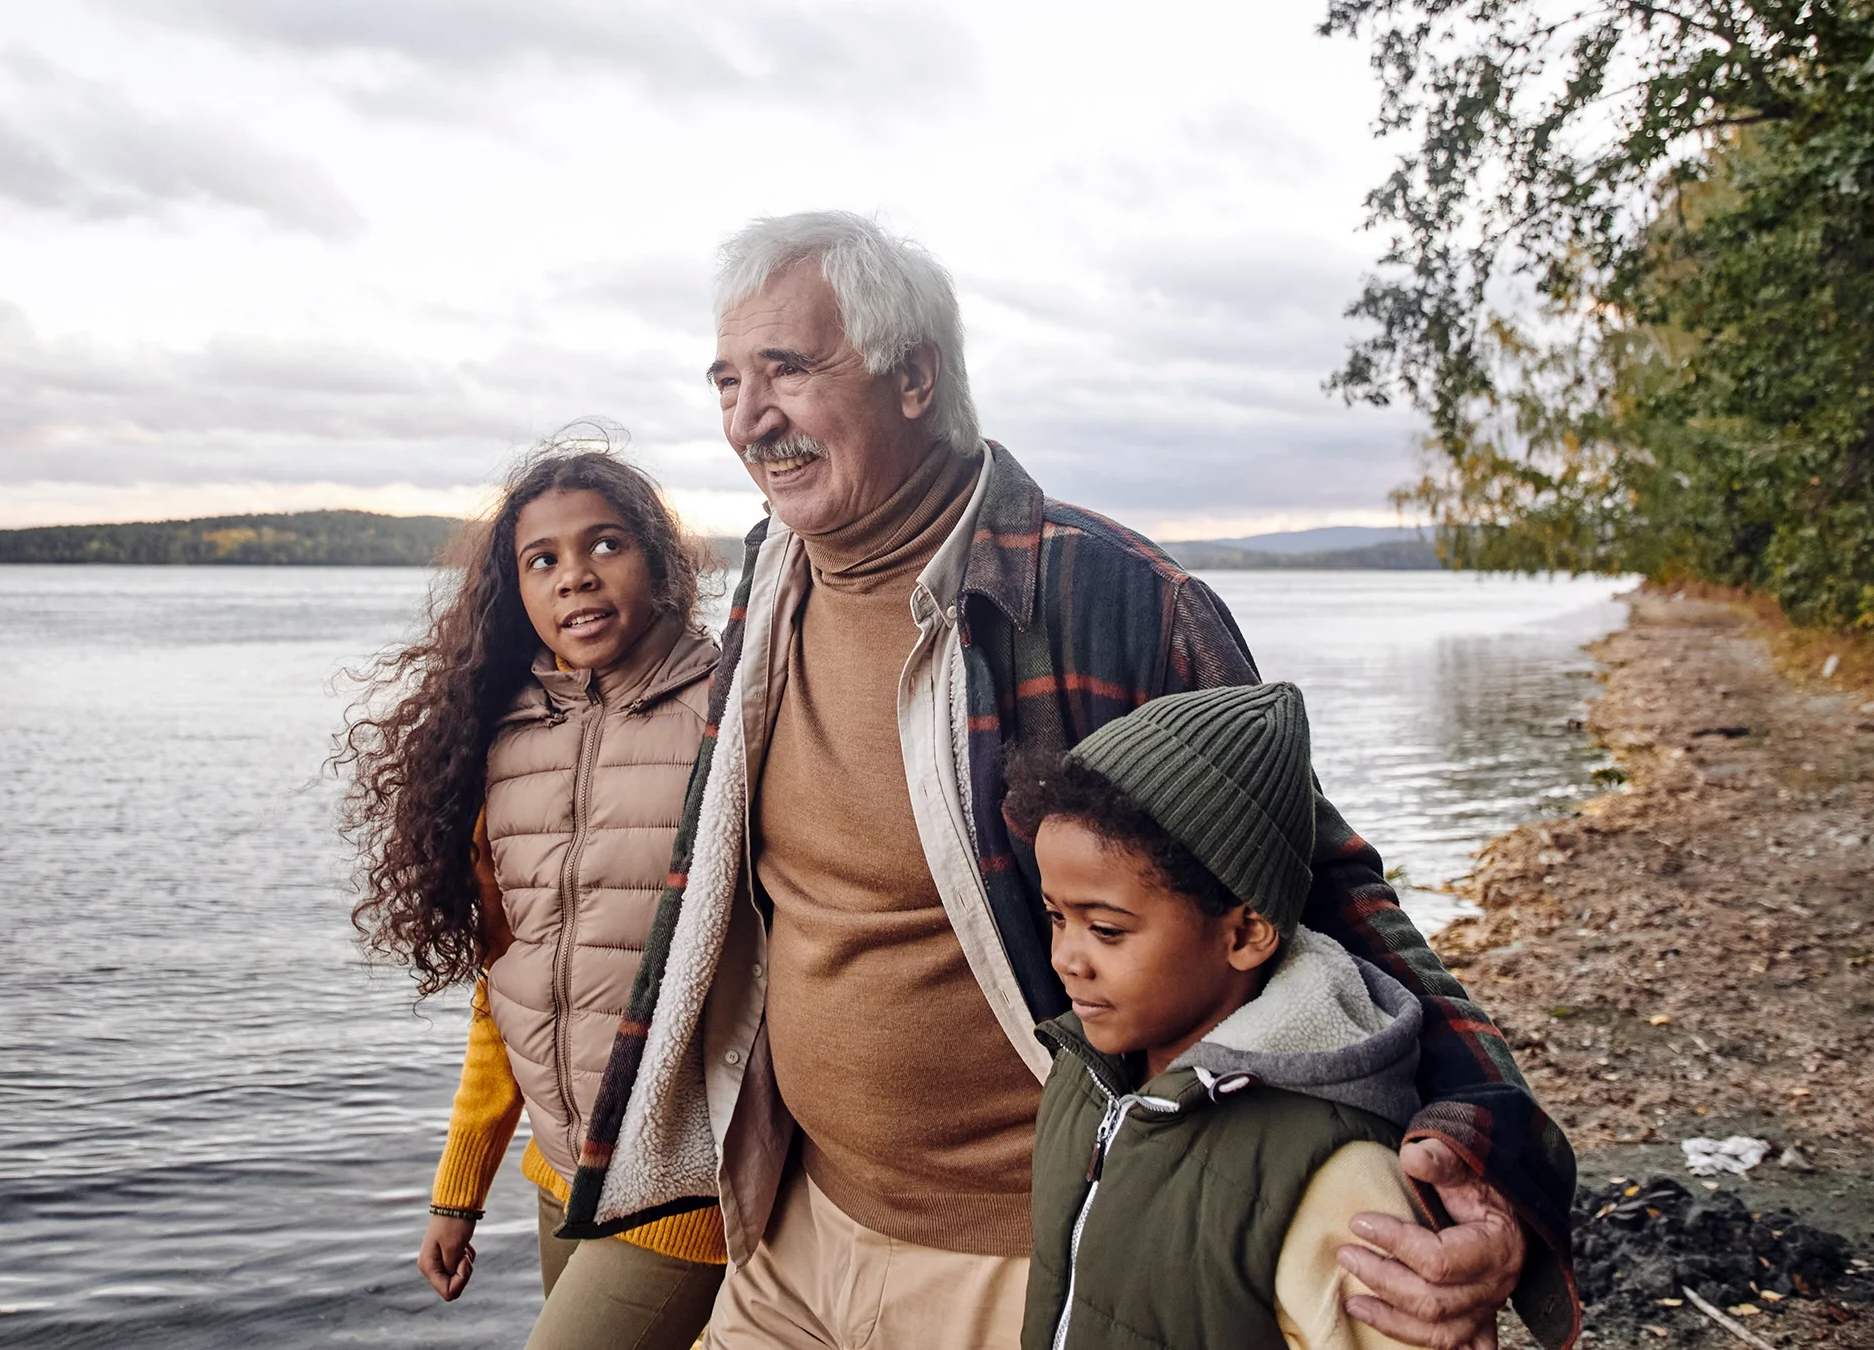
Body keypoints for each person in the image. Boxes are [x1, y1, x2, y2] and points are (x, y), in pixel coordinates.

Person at [555, 212, 1579, 1350]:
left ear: (914, 377)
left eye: (789, 370)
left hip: (1024, 1253)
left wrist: (1489, 1149)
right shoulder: (770, 574)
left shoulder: (1112, 598)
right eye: (728, 380)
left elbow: (1320, 892)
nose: (751, 418)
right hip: (794, 1222)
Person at [338, 440, 727, 1350]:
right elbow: (505, 986)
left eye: (606, 545)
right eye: (541, 560)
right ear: (514, 590)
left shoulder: (732, 709)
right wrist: (459, 1187)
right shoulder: (503, 730)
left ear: (661, 560)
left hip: (686, 1183)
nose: (574, 579)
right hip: (559, 1176)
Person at [1009, 682, 1431, 1350]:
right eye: (1057, 917)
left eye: (1108, 931)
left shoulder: (1338, 1175)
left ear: (1245, 934)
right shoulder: (1079, 1083)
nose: (1066, 958)